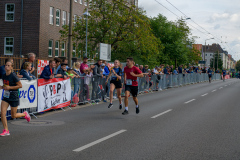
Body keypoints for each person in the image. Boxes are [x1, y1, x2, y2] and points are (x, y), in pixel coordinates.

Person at [0, 61, 31, 136]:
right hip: (6, 96)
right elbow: (5, 85)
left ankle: (24, 114)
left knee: (13, 115)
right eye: (6, 65)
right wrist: (2, 87)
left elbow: (20, 86)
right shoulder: (4, 75)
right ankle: (6, 130)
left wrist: (10, 87)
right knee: (2, 113)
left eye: (8, 65)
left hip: (14, 96)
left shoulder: (13, 76)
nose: (6, 66)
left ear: (11, 67)